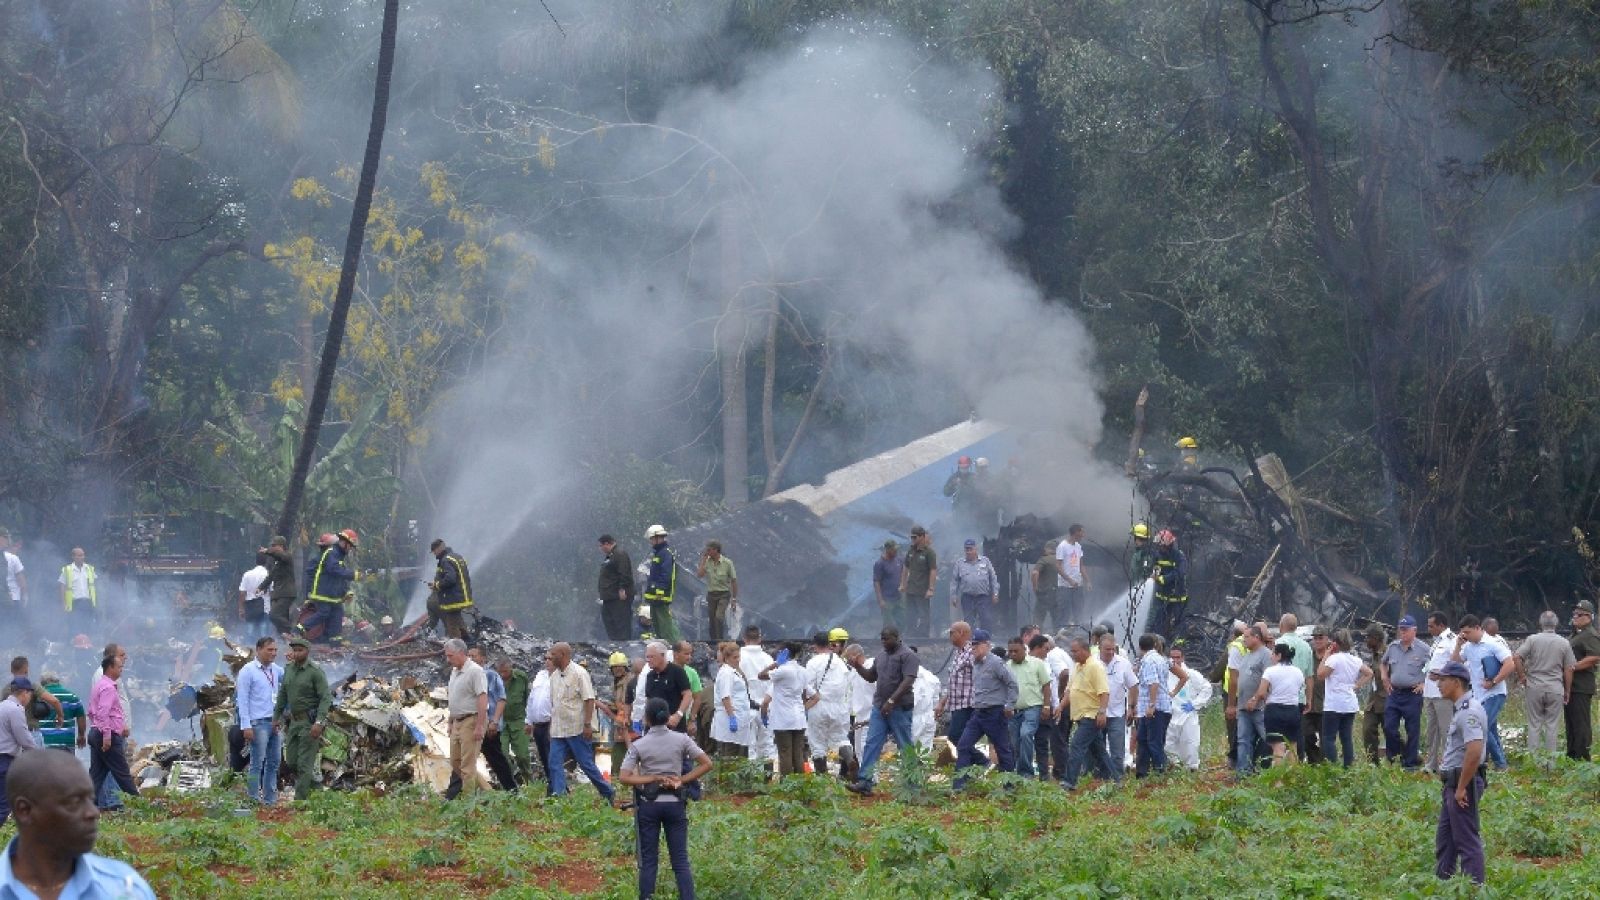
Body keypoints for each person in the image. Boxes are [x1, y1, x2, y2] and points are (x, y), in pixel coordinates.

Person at [0, 749, 157, 899]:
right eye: (75, 801)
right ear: (24, 810)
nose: (93, 813)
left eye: (90, 799)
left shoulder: (125, 889)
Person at [620, 698, 713, 900]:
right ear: (667, 716)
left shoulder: (639, 745)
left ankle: (647, 897)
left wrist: (651, 777)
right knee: (680, 860)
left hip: (649, 806)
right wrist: (682, 779)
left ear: (647, 718)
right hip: (675, 804)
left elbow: (624, 777)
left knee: (649, 860)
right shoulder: (682, 740)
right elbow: (707, 763)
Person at [845, 627, 920, 795]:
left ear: (896, 637)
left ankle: (913, 784)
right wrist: (857, 666)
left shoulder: (908, 656)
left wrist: (892, 701)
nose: (884, 642)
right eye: (882, 639)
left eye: (886, 639)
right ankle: (865, 782)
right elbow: (871, 676)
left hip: (899, 708)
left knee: (905, 745)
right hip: (880, 707)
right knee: (872, 743)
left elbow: (908, 681)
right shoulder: (881, 656)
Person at [1433, 660, 1487, 885]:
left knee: (1466, 839)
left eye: (1443, 680)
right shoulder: (1461, 710)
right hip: (1454, 783)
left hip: (1462, 784)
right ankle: (1443, 883)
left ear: (1456, 682)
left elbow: (1474, 751)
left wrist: (1462, 787)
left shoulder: (1469, 711)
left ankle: (1474, 888)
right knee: (1446, 839)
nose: (1439, 685)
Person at [545, 642, 615, 805]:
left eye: (553, 655)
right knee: (554, 763)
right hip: (558, 729)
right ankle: (559, 797)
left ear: (562, 655)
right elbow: (555, 704)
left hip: (577, 728)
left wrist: (587, 725)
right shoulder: (554, 676)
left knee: (585, 764)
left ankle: (607, 791)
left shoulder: (579, 673)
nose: (550, 658)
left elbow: (589, 699)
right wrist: (551, 727)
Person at [951, 630, 1017, 790]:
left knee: (1003, 750)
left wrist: (1009, 705)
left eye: (976, 645)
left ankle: (1009, 786)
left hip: (995, 712)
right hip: (978, 712)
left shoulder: (996, 663)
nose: (973, 648)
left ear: (987, 645)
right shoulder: (976, 664)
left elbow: (1012, 684)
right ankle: (959, 786)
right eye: (972, 645)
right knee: (963, 746)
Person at [1451, 615, 1513, 769]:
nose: (1465, 635)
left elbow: (1509, 663)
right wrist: (1458, 645)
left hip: (1494, 693)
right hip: (1478, 695)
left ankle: (1499, 763)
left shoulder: (1493, 644)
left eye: (1468, 632)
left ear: (1478, 628)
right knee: (1490, 728)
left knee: (1481, 726)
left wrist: (1494, 681)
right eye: (1462, 633)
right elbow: (1454, 663)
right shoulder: (1468, 647)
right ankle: (1491, 760)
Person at [273, 636, 331, 800]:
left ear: (307, 651)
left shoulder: (315, 671)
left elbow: (326, 698)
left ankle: (300, 801)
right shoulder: (289, 669)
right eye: (295, 650)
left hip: (309, 722)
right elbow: (283, 695)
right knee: (291, 761)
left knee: (305, 763)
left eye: (300, 650)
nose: (297, 653)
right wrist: (276, 717)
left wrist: (319, 723)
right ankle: (316, 787)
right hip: (294, 721)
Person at [1514, 611, 1575, 764]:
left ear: (1540, 624)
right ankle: (1550, 764)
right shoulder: (1564, 642)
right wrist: (1567, 690)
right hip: (1555, 687)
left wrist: (1522, 677)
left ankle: (1534, 762)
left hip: (1534, 686)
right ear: (1556, 624)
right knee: (1552, 726)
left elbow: (1516, 656)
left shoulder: (1532, 639)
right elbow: (1569, 668)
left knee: (1534, 724)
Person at [1062, 638, 1116, 790]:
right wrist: (1060, 707)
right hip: (1080, 715)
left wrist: (1102, 712)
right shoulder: (1078, 666)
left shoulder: (1095, 667)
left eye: (1075, 651)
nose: (1073, 654)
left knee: (1076, 746)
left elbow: (1104, 692)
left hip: (1091, 715)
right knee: (1098, 750)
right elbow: (1069, 690)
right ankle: (1115, 778)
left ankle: (1069, 781)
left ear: (1085, 650)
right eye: (1072, 651)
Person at [235, 636, 283, 805]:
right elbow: (242, 700)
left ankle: (270, 799)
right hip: (258, 723)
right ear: (259, 650)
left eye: (275, 650)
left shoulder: (276, 670)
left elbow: (291, 678)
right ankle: (253, 798)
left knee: (274, 762)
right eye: (270, 650)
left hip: (275, 723)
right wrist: (245, 725)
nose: (274, 653)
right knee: (257, 763)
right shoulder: (248, 671)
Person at [1381, 615, 1432, 770]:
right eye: (1400, 630)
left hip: (1412, 694)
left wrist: (1424, 683)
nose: (1402, 633)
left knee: (1412, 729)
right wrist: (1385, 678)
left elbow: (1433, 668)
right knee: (1389, 726)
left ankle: (1410, 763)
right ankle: (1393, 756)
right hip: (1394, 693)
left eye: (1405, 630)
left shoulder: (1423, 649)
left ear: (1414, 630)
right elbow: (1383, 663)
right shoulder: (1393, 647)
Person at [88, 656, 139, 809]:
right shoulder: (108, 688)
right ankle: (139, 805)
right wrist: (107, 736)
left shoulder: (100, 685)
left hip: (96, 732)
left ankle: (85, 806)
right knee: (122, 773)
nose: (121, 670)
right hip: (106, 735)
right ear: (110, 668)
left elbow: (92, 711)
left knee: (97, 774)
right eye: (119, 667)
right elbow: (103, 713)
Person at [1318, 629, 1372, 768]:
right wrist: (1357, 685)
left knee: (1328, 738)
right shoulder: (1355, 659)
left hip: (1334, 704)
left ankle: (1332, 767)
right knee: (1346, 737)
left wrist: (1326, 655)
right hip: (1350, 703)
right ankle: (1348, 767)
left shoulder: (1333, 660)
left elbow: (1320, 674)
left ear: (1335, 643)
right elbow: (1369, 673)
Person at [466, 647, 517, 791]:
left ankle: (512, 789)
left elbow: (501, 699)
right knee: (466, 759)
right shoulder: (468, 675)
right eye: (468, 656)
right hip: (472, 724)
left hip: (489, 725)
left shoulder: (490, 675)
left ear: (483, 658)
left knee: (496, 759)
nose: (471, 659)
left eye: (474, 656)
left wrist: (494, 722)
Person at [757, 641, 810, 777]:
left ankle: (786, 784)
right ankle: (800, 784)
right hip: (799, 717)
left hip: (783, 719)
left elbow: (761, 675)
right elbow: (804, 695)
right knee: (797, 753)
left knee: (785, 752)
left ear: (784, 653)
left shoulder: (783, 670)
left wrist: (775, 663)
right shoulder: (803, 671)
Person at [1247, 642, 1305, 767]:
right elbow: (1298, 689)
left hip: (1274, 711)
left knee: (1278, 747)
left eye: (1273, 653)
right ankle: (1292, 779)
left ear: (1279, 655)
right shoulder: (1298, 672)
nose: (1271, 656)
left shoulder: (1270, 671)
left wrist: (1255, 700)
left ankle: (1278, 782)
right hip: (1293, 710)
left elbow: (1262, 692)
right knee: (1292, 746)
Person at [805, 632, 851, 777]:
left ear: (815, 645)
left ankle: (822, 779)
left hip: (819, 706)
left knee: (817, 742)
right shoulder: (840, 661)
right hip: (840, 707)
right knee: (842, 739)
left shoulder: (813, 662)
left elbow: (807, 686)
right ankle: (849, 763)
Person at [1005, 636, 1049, 779]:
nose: (1012, 654)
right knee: (1015, 742)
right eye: (1010, 651)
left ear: (1024, 649)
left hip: (1032, 708)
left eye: (1015, 651)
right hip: (1013, 710)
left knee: (1026, 734)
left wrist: (1046, 706)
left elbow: (1046, 685)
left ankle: (1026, 773)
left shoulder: (1037, 664)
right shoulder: (1007, 666)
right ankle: (1020, 771)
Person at [302, 530, 357, 644]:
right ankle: (299, 630)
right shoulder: (330, 555)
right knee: (324, 613)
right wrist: (308, 596)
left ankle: (334, 642)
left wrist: (346, 591)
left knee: (336, 615)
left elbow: (338, 577)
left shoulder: (337, 557)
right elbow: (333, 572)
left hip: (332, 594)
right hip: (323, 593)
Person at [1232, 625, 1273, 775]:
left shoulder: (1266, 655)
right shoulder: (1247, 655)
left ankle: (1269, 770)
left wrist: (1256, 698)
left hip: (1260, 706)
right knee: (1243, 740)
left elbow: (1267, 680)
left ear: (1256, 637)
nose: (1244, 641)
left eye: (1247, 637)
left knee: (1268, 738)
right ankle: (1243, 772)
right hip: (1243, 706)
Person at [1164, 645, 1210, 771]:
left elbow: (1206, 688)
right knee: (1169, 743)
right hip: (1170, 714)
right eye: (1172, 657)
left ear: (1183, 658)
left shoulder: (1191, 674)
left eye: (1178, 657)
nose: (1175, 660)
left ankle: (1192, 767)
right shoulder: (1165, 674)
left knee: (1190, 742)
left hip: (1187, 714)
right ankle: (1174, 766)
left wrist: (1195, 704)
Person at [1098, 635, 1137, 780]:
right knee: (1098, 747)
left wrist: (1131, 707)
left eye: (1113, 649)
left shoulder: (1123, 663)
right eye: (1107, 649)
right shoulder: (1093, 663)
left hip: (1117, 713)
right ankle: (1100, 777)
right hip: (1097, 713)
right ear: (1099, 648)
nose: (1110, 652)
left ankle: (1117, 778)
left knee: (1117, 748)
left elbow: (1133, 685)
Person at [736, 627, 776, 768]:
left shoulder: (737, 657)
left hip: (745, 709)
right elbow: (774, 684)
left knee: (749, 747)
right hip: (766, 708)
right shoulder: (768, 658)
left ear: (744, 638)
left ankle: (752, 782)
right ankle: (768, 781)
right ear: (760, 638)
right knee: (767, 746)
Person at [1134, 633, 1173, 777]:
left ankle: (1160, 774)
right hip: (1150, 708)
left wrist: (1151, 705)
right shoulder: (1159, 659)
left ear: (1140, 647)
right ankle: (1141, 773)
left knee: (1153, 742)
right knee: (1143, 740)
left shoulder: (1150, 660)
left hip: (1154, 709)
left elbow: (1154, 683)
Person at [0, 677, 38, 825]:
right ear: (24, 693)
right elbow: (24, 738)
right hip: (5, 761)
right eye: (30, 694)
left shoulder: (2, 706)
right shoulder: (15, 710)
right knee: (4, 804)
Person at [934, 621, 976, 753]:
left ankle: (983, 762)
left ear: (962, 633)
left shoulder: (971, 652)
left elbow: (982, 676)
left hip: (967, 704)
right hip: (956, 704)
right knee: (960, 739)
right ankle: (967, 767)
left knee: (955, 738)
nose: (950, 636)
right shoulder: (959, 653)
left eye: (952, 633)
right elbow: (953, 680)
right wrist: (943, 702)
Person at [1422, 612, 1456, 771]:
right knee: (1431, 730)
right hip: (1429, 691)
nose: (1429, 629)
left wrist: (1443, 675)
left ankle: (1448, 763)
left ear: (1441, 625)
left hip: (1443, 692)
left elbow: (1457, 663)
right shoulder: (1436, 642)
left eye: (1431, 626)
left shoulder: (1451, 640)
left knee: (1446, 729)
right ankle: (1431, 763)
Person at [1566, 600, 1600, 761]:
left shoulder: (1590, 634)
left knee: (1581, 723)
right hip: (1571, 685)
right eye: (1574, 614)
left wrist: (1573, 667)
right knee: (1571, 722)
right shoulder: (1577, 633)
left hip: (1581, 685)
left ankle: (1583, 756)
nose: (1575, 617)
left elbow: (1594, 656)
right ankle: (1572, 754)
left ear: (1589, 617)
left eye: (1579, 615)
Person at [710, 642, 752, 758]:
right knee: (730, 754)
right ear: (726, 658)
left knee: (736, 752)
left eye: (739, 657)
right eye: (735, 657)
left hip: (739, 717)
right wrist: (732, 717)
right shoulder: (726, 673)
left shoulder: (733, 671)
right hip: (730, 718)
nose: (738, 660)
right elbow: (725, 696)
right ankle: (727, 777)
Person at [495, 657, 533, 786]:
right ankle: (509, 784)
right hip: (501, 722)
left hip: (518, 720)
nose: (503, 675)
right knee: (503, 755)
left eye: (505, 671)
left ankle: (529, 781)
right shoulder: (493, 679)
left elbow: (528, 699)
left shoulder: (521, 678)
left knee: (522, 754)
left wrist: (529, 720)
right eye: (500, 672)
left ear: (511, 668)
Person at [949, 539, 999, 632]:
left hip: (983, 597)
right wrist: (953, 596)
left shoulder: (985, 561)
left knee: (986, 619)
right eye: (966, 549)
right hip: (967, 597)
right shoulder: (960, 563)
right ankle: (969, 642)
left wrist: (995, 594)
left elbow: (993, 578)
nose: (968, 552)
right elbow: (954, 581)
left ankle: (986, 641)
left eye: (970, 549)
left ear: (976, 549)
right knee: (968, 622)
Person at [429, 539, 474, 640]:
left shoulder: (445, 560)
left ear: (439, 548)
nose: (434, 554)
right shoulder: (457, 557)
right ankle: (468, 641)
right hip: (463, 596)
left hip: (453, 598)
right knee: (458, 619)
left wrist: (437, 585)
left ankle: (457, 647)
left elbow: (451, 579)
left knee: (451, 625)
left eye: (434, 551)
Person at [1359, 623, 1390, 764]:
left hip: (1387, 700)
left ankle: (1408, 757)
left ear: (1376, 638)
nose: (1366, 641)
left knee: (1391, 733)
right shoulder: (1374, 655)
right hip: (1373, 701)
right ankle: (1373, 763)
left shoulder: (1388, 654)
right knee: (1368, 731)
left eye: (1368, 638)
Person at [899, 526, 938, 639]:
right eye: (911, 537)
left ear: (921, 536)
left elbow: (933, 570)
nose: (913, 539)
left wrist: (931, 588)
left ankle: (923, 636)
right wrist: (903, 583)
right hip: (910, 588)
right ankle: (911, 634)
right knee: (910, 614)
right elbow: (906, 568)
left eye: (915, 537)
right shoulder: (911, 551)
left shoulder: (929, 552)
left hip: (922, 589)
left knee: (923, 614)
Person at [523, 658, 555, 793]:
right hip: (537, 725)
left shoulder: (559, 677)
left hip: (550, 725)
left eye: (550, 658)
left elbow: (557, 703)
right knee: (544, 757)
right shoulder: (540, 675)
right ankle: (553, 786)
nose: (547, 661)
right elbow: (532, 699)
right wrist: (528, 721)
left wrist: (553, 726)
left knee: (552, 758)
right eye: (546, 658)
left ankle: (556, 788)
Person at [695, 542, 737, 642]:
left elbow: (734, 581)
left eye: (709, 550)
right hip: (711, 595)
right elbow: (700, 574)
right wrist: (703, 560)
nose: (707, 552)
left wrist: (734, 599)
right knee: (712, 620)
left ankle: (720, 640)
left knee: (719, 617)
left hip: (724, 594)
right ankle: (713, 640)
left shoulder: (727, 563)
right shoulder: (708, 562)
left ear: (715, 550)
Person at [33, 674, 86, 754]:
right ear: (58, 682)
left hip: (44, 742)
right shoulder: (71, 696)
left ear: (42, 684)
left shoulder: (38, 697)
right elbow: (81, 717)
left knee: (45, 766)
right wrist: (81, 736)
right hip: (66, 742)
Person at [597, 535, 635, 642]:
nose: (600, 549)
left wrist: (622, 588)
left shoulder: (620, 554)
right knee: (609, 621)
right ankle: (615, 643)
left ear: (607, 544)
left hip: (618, 597)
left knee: (621, 623)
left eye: (601, 546)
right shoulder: (611, 556)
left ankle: (623, 645)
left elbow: (624, 572)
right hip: (609, 597)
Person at [1151, 530, 1188, 640]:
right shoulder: (1157, 555)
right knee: (1159, 621)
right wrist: (1155, 575)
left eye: (1161, 546)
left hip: (1177, 596)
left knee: (1179, 621)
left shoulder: (1179, 556)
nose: (1160, 548)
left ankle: (1180, 643)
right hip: (1162, 595)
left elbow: (1180, 572)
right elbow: (1156, 567)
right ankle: (1159, 642)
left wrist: (1164, 579)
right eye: (1159, 545)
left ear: (1169, 545)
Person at [260, 536, 298, 637]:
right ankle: (288, 639)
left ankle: (294, 631)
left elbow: (281, 556)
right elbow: (271, 576)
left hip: (286, 593)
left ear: (281, 546)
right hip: (278, 594)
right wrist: (261, 587)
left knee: (274, 615)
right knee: (281, 622)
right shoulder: (278, 562)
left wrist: (268, 551)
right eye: (271, 546)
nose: (272, 548)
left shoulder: (287, 556)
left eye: (274, 546)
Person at [1055, 525, 1090, 624]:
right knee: (1064, 612)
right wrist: (1069, 580)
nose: (1083, 535)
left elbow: (1081, 565)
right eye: (1082, 532)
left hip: (1077, 585)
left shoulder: (1078, 546)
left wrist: (1087, 581)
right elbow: (1058, 566)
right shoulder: (1062, 546)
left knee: (1078, 610)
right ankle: (1060, 632)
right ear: (1076, 533)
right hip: (1064, 586)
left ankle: (1077, 631)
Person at [58, 547, 98, 632]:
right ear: (73, 557)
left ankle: (87, 643)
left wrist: (96, 600)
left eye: (83, 555)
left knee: (88, 625)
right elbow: (62, 587)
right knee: (74, 626)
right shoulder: (67, 570)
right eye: (79, 555)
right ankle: (73, 643)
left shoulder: (89, 569)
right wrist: (63, 603)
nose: (82, 557)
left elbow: (94, 584)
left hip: (88, 602)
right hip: (74, 603)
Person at [237, 552, 271, 641]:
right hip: (265, 608)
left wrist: (241, 609)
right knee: (264, 635)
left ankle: (250, 652)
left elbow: (242, 593)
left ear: (255, 561)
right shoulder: (268, 575)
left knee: (250, 633)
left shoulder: (247, 574)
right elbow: (272, 592)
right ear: (266, 562)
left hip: (250, 608)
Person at [873, 541, 905, 630]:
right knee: (888, 625)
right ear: (888, 550)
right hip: (887, 600)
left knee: (902, 622)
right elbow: (876, 582)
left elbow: (904, 572)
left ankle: (901, 640)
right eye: (894, 550)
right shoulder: (880, 564)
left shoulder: (899, 560)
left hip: (899, 598)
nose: (896, 551)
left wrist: (903, 584)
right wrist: (880, 600)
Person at [1030, 542, 1061, 633]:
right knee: (1056, 618)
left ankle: (1038, 638)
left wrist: (1035, 587)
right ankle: (1058, 637)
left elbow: (1035, 573)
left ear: (1048, 549)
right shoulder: (1062, 561)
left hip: (1044, 593)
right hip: (1058, 593)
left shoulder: (1044, 559)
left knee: (1038, 617)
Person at [0, 528, 27, 611]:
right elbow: (22, 581)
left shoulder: (6, 557)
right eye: (5, 537)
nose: (8, 541)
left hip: (8, 599)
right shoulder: (12, 558)